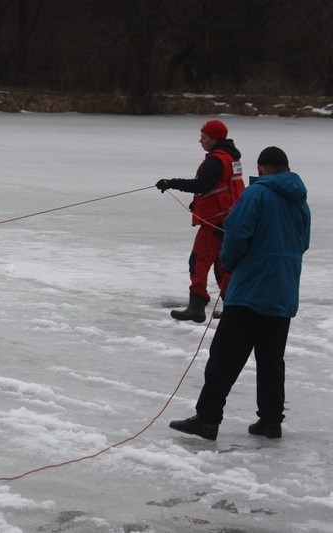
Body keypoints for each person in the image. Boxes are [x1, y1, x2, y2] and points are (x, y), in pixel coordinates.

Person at [169, 146, 311, 441]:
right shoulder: (301, 201)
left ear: (260, 168)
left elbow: (236, 234)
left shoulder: (255, 194)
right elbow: (303, 242)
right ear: (286, 168)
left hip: (251, 290)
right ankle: (271, 422)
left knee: (224, 356)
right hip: (283, 291)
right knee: (271, 359)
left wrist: (230, 263)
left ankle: (207, 419)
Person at [156, 119, 244, 322]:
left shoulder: (216, 159)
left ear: (214, 138)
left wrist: (171, 183)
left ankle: (197, 305)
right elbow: (222, 189)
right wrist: (198, 205)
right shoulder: (231, 157)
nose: (200, 141)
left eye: (203, 137)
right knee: (222, 264)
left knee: (199, 260)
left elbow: (202, 184)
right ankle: (233, 308)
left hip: (217, 221)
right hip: (229, 219)